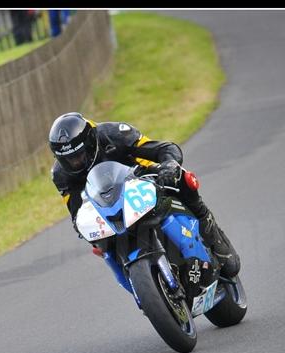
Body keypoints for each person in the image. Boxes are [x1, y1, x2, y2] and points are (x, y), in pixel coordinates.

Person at [48, 112, 241, 290]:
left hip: (144, 178)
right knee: (100, 245)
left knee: (182, 178)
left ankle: (213, 235)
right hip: (107, 203)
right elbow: (76, 211)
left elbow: (164, 148)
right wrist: (89, 233)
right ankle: (138, 287)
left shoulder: (113, 133)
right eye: (70, 159)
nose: (76, 163)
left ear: (90, 143)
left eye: (79, 156)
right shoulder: (61, 174)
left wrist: (169, 165)